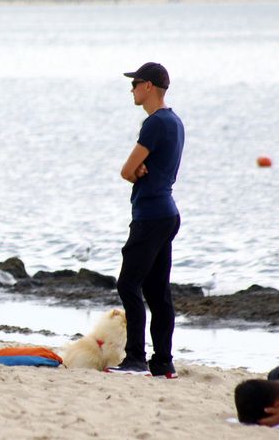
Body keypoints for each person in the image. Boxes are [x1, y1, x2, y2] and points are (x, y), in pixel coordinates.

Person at [105, 62, 184, 378]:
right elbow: (139, 169)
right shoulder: (174, 121)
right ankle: (163, 362)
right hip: (167, 213)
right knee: (157, 291)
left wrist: (135, 171)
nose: (132, 88)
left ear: (149, 86)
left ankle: (136, 359)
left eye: (136, 82)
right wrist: (138, 170)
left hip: (151, 215)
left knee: (128, 284)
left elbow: (127, 170)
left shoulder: (154, 123)